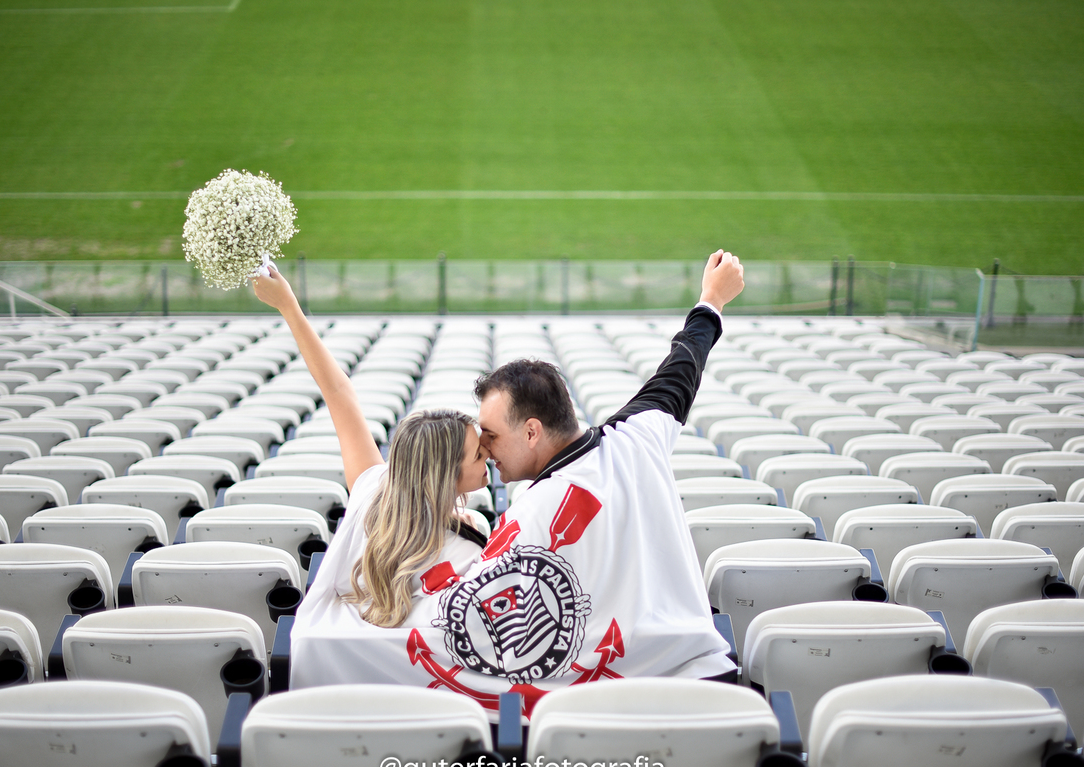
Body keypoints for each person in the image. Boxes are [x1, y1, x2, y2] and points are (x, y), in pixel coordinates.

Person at [287, 249, 745, 718]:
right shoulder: (639, 435)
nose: (487, 451)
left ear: (531, 431)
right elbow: (682, 367)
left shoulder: (525, 519)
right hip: (701, 682)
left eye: (490, 436)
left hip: (629, 709)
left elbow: (466, 631)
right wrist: (711, 301)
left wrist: (335, 642)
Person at [251, 266, 491, 629]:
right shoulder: (470, 550)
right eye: (478, 455)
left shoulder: (371, 494)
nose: (488, 453)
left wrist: (288, 306)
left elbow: (338, 393)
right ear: (445, 475)